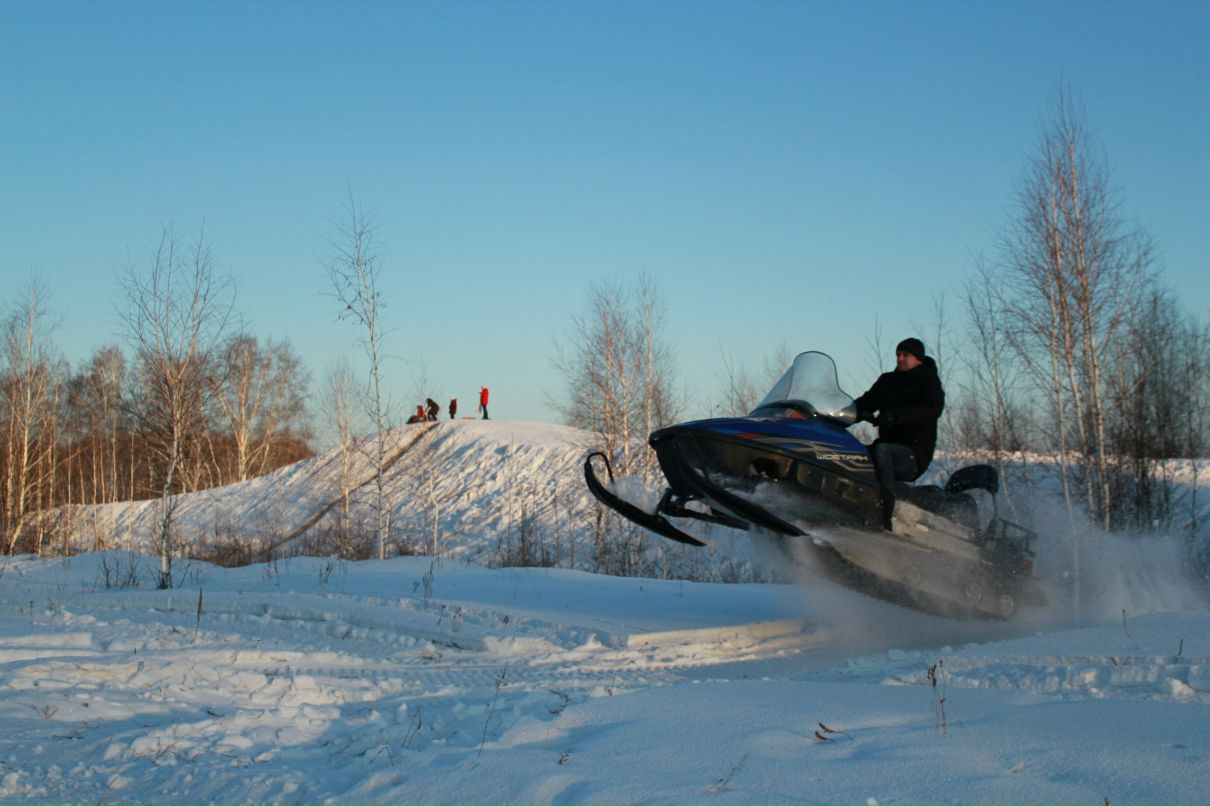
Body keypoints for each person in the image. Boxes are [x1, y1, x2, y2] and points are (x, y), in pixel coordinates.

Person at [854, 337, 945, 529]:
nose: (900, 359)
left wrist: (895, 417)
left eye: (906, 355)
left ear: (918, 358)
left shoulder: (928, 380)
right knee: (853, 452)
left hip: (913, 453)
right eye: (898, 354)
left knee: (883, 451)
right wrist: (840, 413)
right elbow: (866, 401)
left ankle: (884, 513)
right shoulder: (888, 381)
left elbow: (932, 409)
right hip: (885, 446)